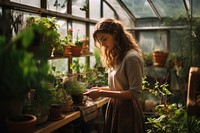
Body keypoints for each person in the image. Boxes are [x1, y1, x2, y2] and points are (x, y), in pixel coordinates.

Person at [84, 18, 146, 133]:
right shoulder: (118, 56)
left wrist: (101, 93)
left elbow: (134, 92)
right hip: (116, 107)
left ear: (115, 34)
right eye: (100, 40)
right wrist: (99, 89)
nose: (102, 44)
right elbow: (120, 87)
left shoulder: (131, 58)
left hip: (127, 111)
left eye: (104, 39)